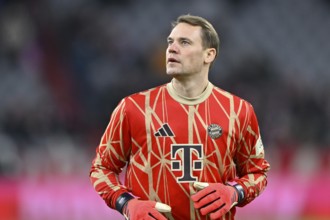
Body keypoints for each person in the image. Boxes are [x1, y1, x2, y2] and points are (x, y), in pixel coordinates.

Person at [89, 14, 270, 220]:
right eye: (170, 42)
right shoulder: (133, 108)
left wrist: (233, 192)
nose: (172, 48)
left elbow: (257, 173)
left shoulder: (239, 111)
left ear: (208, 55)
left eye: (184, 42)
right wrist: (126, 203)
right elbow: (102, 168)